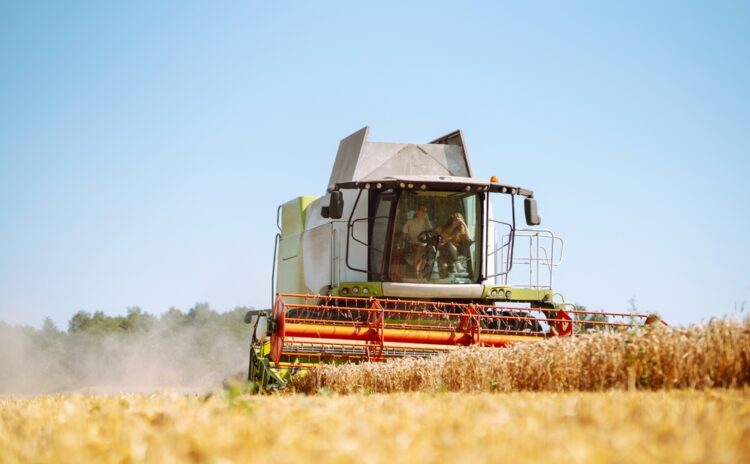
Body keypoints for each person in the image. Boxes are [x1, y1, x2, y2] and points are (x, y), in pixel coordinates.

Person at [436, 212, 472, 278]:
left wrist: (464, 224)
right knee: (443, 266)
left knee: (449, 245)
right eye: (455, 220)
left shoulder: (459, 231)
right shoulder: (442, 228)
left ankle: (455, 264)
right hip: (441, 252)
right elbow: (434, 237)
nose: (456, 222)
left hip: (453, 254)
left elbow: (469, 238)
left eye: (458, 221)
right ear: (452, 220)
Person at [402, 205, 432, 277]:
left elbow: (431, 232)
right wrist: (406, 239)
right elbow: (404, 235)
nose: (423, 213)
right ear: (417, 211)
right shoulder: (409, 222)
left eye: (425, 212)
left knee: (426, 250)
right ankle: (417, 271)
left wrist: (427, 221)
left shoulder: (426, 223)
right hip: (412, 244)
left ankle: (417, 271)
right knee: (419, 248)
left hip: (425, 244)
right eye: (422, 211)